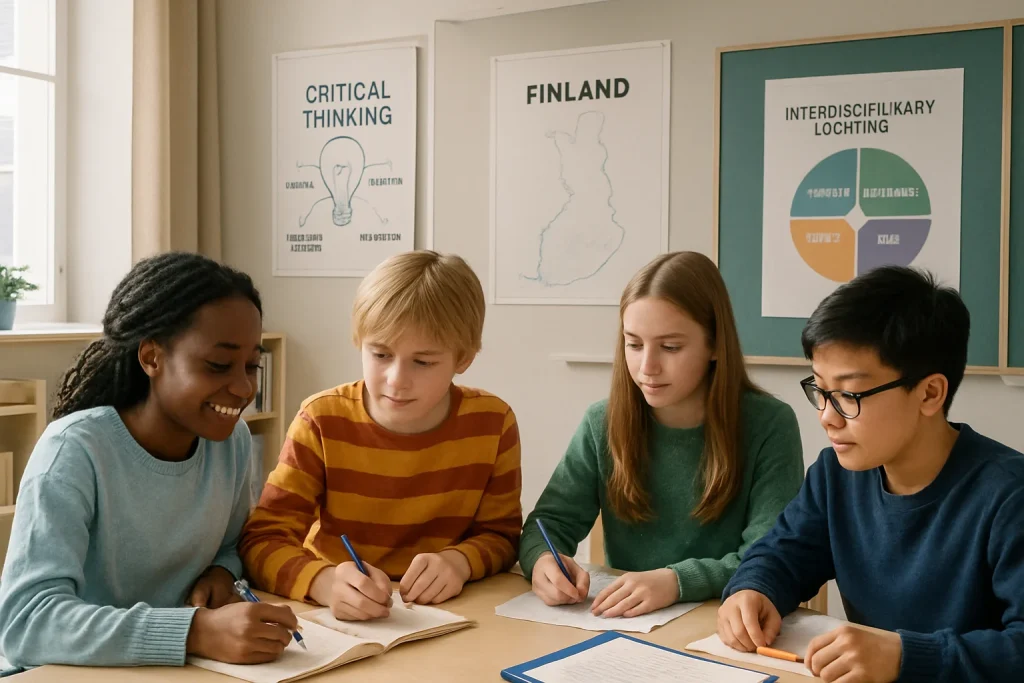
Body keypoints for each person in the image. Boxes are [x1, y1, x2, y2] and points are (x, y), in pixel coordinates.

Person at [719, 266, 1024, 683]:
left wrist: (905, 657)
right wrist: (753, 588)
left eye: (847, 395)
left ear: (929, 393)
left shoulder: (1009, 495)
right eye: (821, 390)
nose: (827, 417)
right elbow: (783, 554)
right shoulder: (835, 475)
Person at [0, 252, 298, 668]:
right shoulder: (74, 450)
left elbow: (229, 546)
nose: (244, 387)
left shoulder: (231, 442)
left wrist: (222, 575)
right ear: (152, 358)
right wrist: (193, 631)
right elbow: (25, 622)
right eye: (218, 365)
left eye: (251, 365)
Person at [519, 251, 804, 618]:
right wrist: (544, 561)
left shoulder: (769, 424)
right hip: (627, 628)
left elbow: (769, 553)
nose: (647, 367)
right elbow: (547, 525)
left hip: (726, 622)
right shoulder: (601, 421)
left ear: (715, 344)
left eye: (670, 347)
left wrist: (676, 581)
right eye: (634, 344)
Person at [241, 250, 522, 620]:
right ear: (360, 343)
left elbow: (502, 536)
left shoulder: (493, 422)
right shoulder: (322, 419)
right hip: (336, 617)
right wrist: (322, 582)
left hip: (447, 615)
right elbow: (262, 540)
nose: (396, 380)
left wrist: (459, 562)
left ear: (464, 359)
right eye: (380, 354)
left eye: (423, 362)